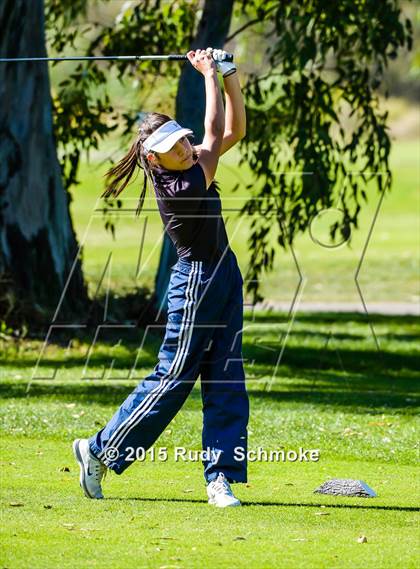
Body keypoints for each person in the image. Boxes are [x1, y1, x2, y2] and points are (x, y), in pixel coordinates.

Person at [73, 47, 249, 508]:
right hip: (195, 282)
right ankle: (98, 450)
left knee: (226, 377)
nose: (184, 148)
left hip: (224, 273)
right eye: (172, 149)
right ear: (154, 161)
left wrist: (229, 74)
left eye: (182, 141)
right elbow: (215, 130)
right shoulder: (183, 185)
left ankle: (221, 478)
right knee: (173, 377)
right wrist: (209, 73)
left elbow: (235, 130)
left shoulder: (189, 165)